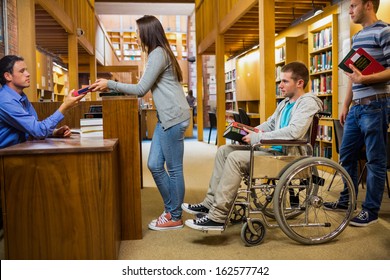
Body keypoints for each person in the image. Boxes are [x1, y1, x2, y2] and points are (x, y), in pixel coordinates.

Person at [182, 61, 323, 231]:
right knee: (224, 151)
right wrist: (247, 131)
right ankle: (209, 203)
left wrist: (258, 137)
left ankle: (218, 217)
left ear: (300, 83)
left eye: (285, 81)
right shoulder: (284, 103)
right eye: (280, 81)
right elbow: (270, 125)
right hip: (273, 151)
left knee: (234, 158)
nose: (280, 85)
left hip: (289, 157)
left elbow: (294, 132)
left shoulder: (308, 103)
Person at [89, 15, 191, 231]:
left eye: (137, 32)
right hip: (167, 116)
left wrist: (110, 83)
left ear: (147, 32)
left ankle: (174, 216)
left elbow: (140, 90)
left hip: (173, 116)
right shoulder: (160, 53)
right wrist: (111, 86)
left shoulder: (157, 54)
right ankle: (171, 210)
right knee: (154, 164)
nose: (136, 37)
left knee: (174, 169)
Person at [323, 0, 390, 227]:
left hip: (376, 105)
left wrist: (366, 79)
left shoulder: (385, 31)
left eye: (353, 5)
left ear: (368, 5)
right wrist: (345, 105)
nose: (349, 10)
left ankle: (370, 211)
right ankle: (347, 201)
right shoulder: (356, 37)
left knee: (375, 160)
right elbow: (354, 75)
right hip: (355, 108)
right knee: (346, 156)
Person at [0, 55, 85, 149]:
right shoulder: (5, 101)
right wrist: (64, 106)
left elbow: (32, 127)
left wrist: (54, 132)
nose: (28, 74)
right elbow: (39, 131)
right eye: (22, 71)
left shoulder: (21, 97)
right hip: (6, 157)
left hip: (18, 151)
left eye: (26, 70)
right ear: (7, 76)